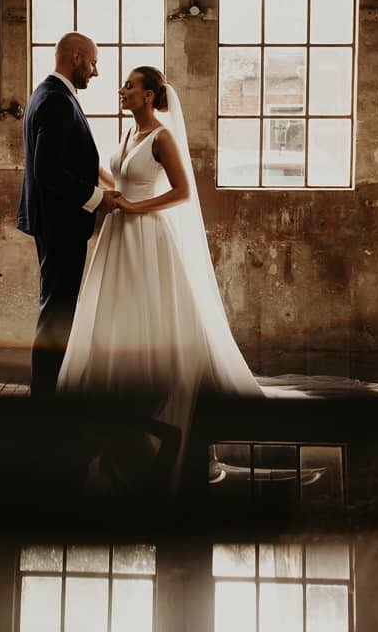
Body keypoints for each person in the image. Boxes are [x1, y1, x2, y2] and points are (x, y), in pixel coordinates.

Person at [56, 66, 264, 492]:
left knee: (146, 303)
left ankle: (150, 382)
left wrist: (136, 208)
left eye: (130, 86)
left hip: (146, 233)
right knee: (115, 306)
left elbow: (183, 191)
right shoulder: (129, 134)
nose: (122, 90)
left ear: (150, 95)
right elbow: (124, 178)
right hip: (118, 231)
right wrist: (102, 184)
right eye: (124, 85)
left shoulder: (162, 137)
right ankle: (116, 383)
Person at [17, 32, 121, 397]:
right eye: (92, 63)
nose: (95, 72)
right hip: (60, 223)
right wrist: (97, 198)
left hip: (54, 220)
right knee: (57, 310)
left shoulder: (47, 94)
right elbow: (47, 170)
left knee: (57, 306)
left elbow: (68, 160)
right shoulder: (57, 101)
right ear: (76, 58)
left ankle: (49, 387)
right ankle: (45, 396)